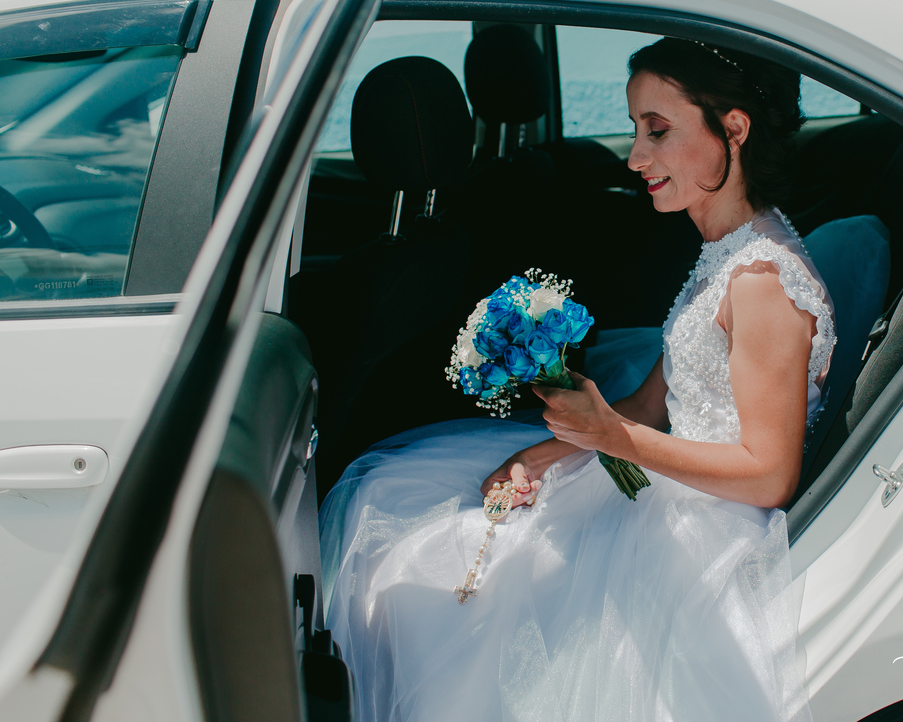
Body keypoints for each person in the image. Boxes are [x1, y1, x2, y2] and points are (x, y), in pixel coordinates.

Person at [319, 36, 835, 722]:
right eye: (633, 129)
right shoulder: (726, 252)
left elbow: (768, 474)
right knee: (400, 504)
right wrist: (544, 451)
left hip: (702, 525)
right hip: (666, 480)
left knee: (445, 588)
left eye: (658, 131)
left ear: (732, 130)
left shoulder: (762, 282)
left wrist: (608, 435)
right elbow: (654, 404)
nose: (635, 157)